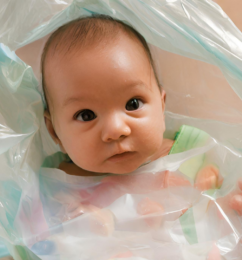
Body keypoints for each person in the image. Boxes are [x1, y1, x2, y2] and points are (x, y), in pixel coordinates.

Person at [39, 14, 242, 258]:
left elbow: (216, 207)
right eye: (86, 115)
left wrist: (233, 203)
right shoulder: (59, 181)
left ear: (162, 104)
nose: (116, 129)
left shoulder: (191, 151)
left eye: (133, 103)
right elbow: (34, 240)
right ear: (54, 132)